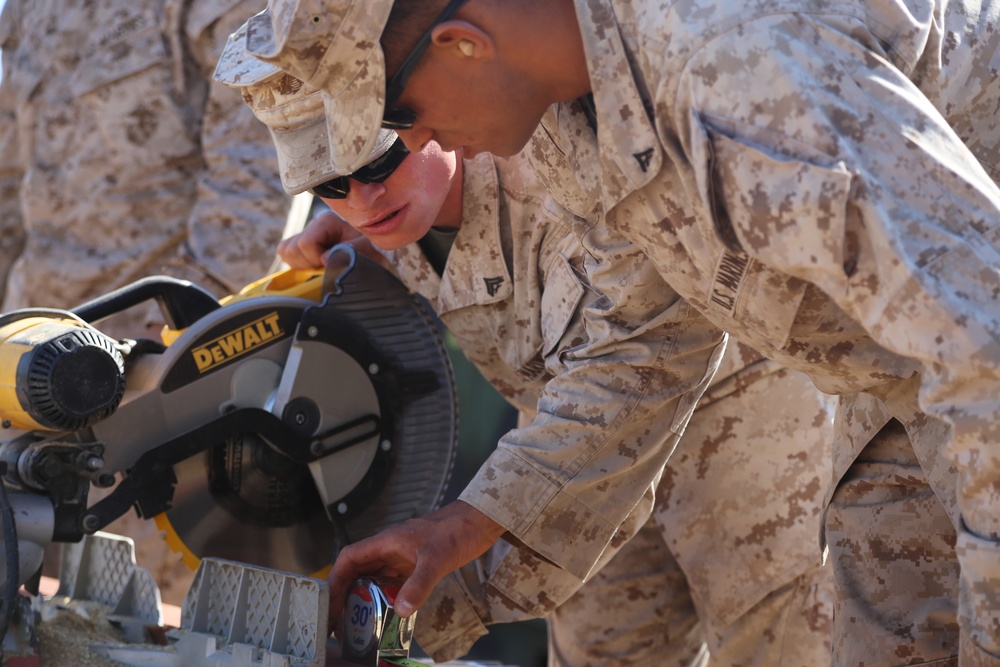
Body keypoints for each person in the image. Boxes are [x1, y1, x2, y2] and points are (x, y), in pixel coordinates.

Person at [233, 0, 1000, 664]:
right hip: (895, 403)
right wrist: (470, 523)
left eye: (400, 120)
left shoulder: (731, 66)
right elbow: (643, 340)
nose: (431, 141)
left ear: (462, 43)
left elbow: (985, 344)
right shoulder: (576, 117)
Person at [0, 0, 293, 605]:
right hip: (27, 388)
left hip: (155, 394)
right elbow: (9, 180)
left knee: (156, 621)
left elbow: (254, 181)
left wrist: (171, 368)